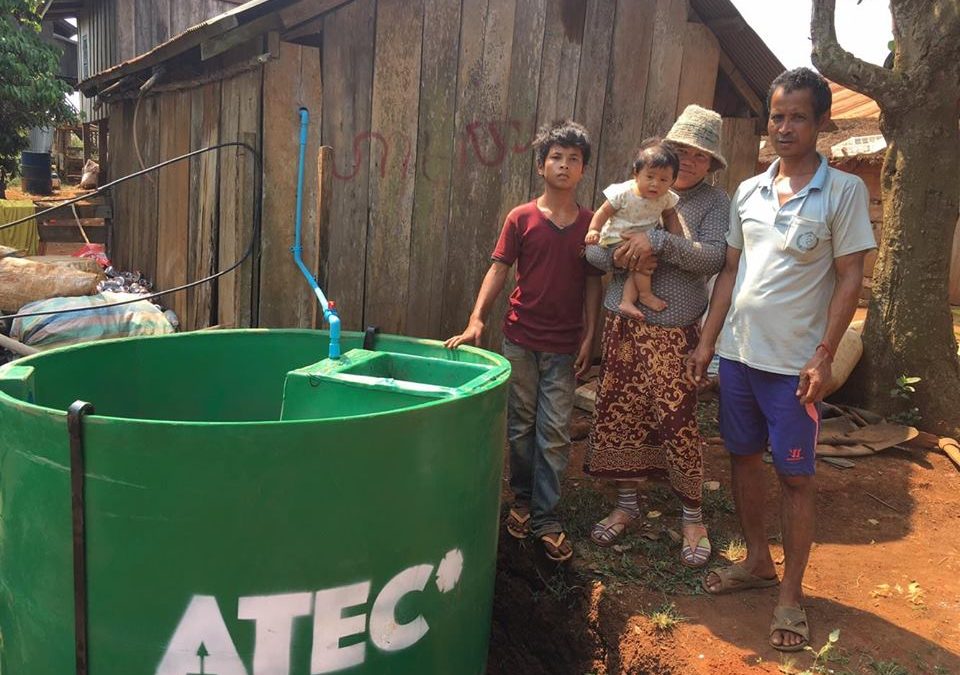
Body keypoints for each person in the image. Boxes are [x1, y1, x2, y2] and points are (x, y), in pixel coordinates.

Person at [686, 68, 876, 652]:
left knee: (795, 477)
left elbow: (850, 279)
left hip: (795, 368)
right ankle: (758, 563)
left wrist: (823, 356)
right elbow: (730, 274)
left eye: (798, 116)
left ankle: (790, 596)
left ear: (822, 122)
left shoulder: (843, 192)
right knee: (742, 459)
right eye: (777, 115)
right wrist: (707, 343)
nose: (785, 126)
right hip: (739, 358)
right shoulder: (749, 190)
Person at [445, 119, 603, 563]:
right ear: (540, 165)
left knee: (553, 431)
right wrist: (477, 319)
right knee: (521, 425)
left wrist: (592, 333)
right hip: (519, 339)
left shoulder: (591, 225)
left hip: (564, 345)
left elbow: (593, 282)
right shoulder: (522, 217)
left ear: (583, 171)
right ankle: (520, 500)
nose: (564, 165)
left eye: (574, 159)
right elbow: (499, 268)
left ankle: (546, 517)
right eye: (556, 157)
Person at [583, 104, 729, 569]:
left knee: (678, 421)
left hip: (674, 333)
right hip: (624, 325)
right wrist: (616, 258)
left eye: (700, 156)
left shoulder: (715, 204)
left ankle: (691, 516)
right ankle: (627, 505)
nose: (688, 161)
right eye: (681, 151)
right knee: (620, 415)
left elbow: (713, 259)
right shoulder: (632, 191)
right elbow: (592, 251)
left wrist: (660, 242)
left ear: (712, 164)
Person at [584, 139, 682, 318]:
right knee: (642, 264)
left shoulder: (665, 197)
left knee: (639, 265)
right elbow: (603, 212)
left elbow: (669, 215)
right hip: (617, 238)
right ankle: (644, 295)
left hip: (644, 240)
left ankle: (627, 301)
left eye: (663, 179)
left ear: (673, 180)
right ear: (636, 174)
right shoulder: (624, 193)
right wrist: (593, 230)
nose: (655, 184)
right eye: (650, 177)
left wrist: (677, 237)